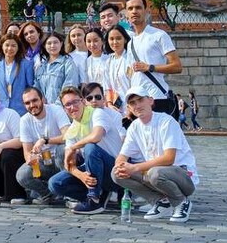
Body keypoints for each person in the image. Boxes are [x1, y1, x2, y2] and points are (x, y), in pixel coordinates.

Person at [112, 91, 199, 223]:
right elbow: (122, 156)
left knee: (155, 173)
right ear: (129, 108)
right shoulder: (134, 127)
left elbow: (168, 158)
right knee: (116, 173)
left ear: (151, 101)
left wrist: (134, 167)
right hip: (157, 174)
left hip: (183, 176)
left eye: (140, 100)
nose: (137, 105)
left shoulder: (166, 122)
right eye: (132, 103)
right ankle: (161, 201)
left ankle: (181, 201)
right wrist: (120, 166)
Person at [52, 82, 124, 214]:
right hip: (95, 170)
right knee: (55, 183)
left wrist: (74, 147)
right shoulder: (73, 128)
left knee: (91, 148)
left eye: (75, 102)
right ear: (64, 108)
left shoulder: (97, 114)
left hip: (117, 171)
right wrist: (81, 175)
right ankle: (99, 196)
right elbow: (68, 164)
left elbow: (96, 136)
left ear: (83, 102)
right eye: (68, 104)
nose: (72, 107)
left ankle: (94, 200)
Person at [124, 0, 183, 118]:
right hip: (137, 101)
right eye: (130, 8)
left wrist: (150, 67)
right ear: (126, 14)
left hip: (157, 97)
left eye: (138, 7)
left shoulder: (159, 35)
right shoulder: (130, 43)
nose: (134, 11)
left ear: (146, 11)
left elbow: (177, 66)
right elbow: (131, 74)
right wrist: (129, 104)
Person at [15, 85, 68, 204]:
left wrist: (46, 140)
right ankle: (47, 194)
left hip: (60, 159)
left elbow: (68, 136)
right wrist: (32, 158)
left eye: (34, 100)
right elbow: (26, 152)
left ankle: (69, 194)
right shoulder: (24, 120)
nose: (32, 105)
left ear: (42, 99)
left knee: (63, 149)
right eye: (27, 103)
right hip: (44, 162)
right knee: (22, 174)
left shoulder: (55, 110)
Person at [0, 34, 34, 114]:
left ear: (18, 48)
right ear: (2, 47)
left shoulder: (26, 64)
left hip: (20, 110)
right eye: (7, 45)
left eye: (13, 46)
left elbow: (30, 87)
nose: (10, 48)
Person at [35, 31, 80, 104]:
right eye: (49, 43)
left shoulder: (67, 63)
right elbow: (37, 87)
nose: (52, 46)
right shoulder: (41, 66)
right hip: (44, 109)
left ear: (61, 44)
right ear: (44, 46)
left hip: (62, 107)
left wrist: (57, 105)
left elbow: (70, 86)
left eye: (55, 42)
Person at [104, 26, 133, 112]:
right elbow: (107, 86)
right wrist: (109, 104)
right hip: (114, 109)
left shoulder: (130, 59)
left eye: (118, 38)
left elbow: (134, 83)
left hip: (131, 107)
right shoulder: (108, 61)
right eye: (111, 39)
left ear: (125, 39)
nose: (115, 42)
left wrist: (131, 107)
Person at [83, 28, 109, 98]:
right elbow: (85, 84)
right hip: (92, 99)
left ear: (102, 41)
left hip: (108, 98)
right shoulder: (85, 62)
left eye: (95, 40)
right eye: (89, 41)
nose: (92, 44)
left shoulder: (109, 59)